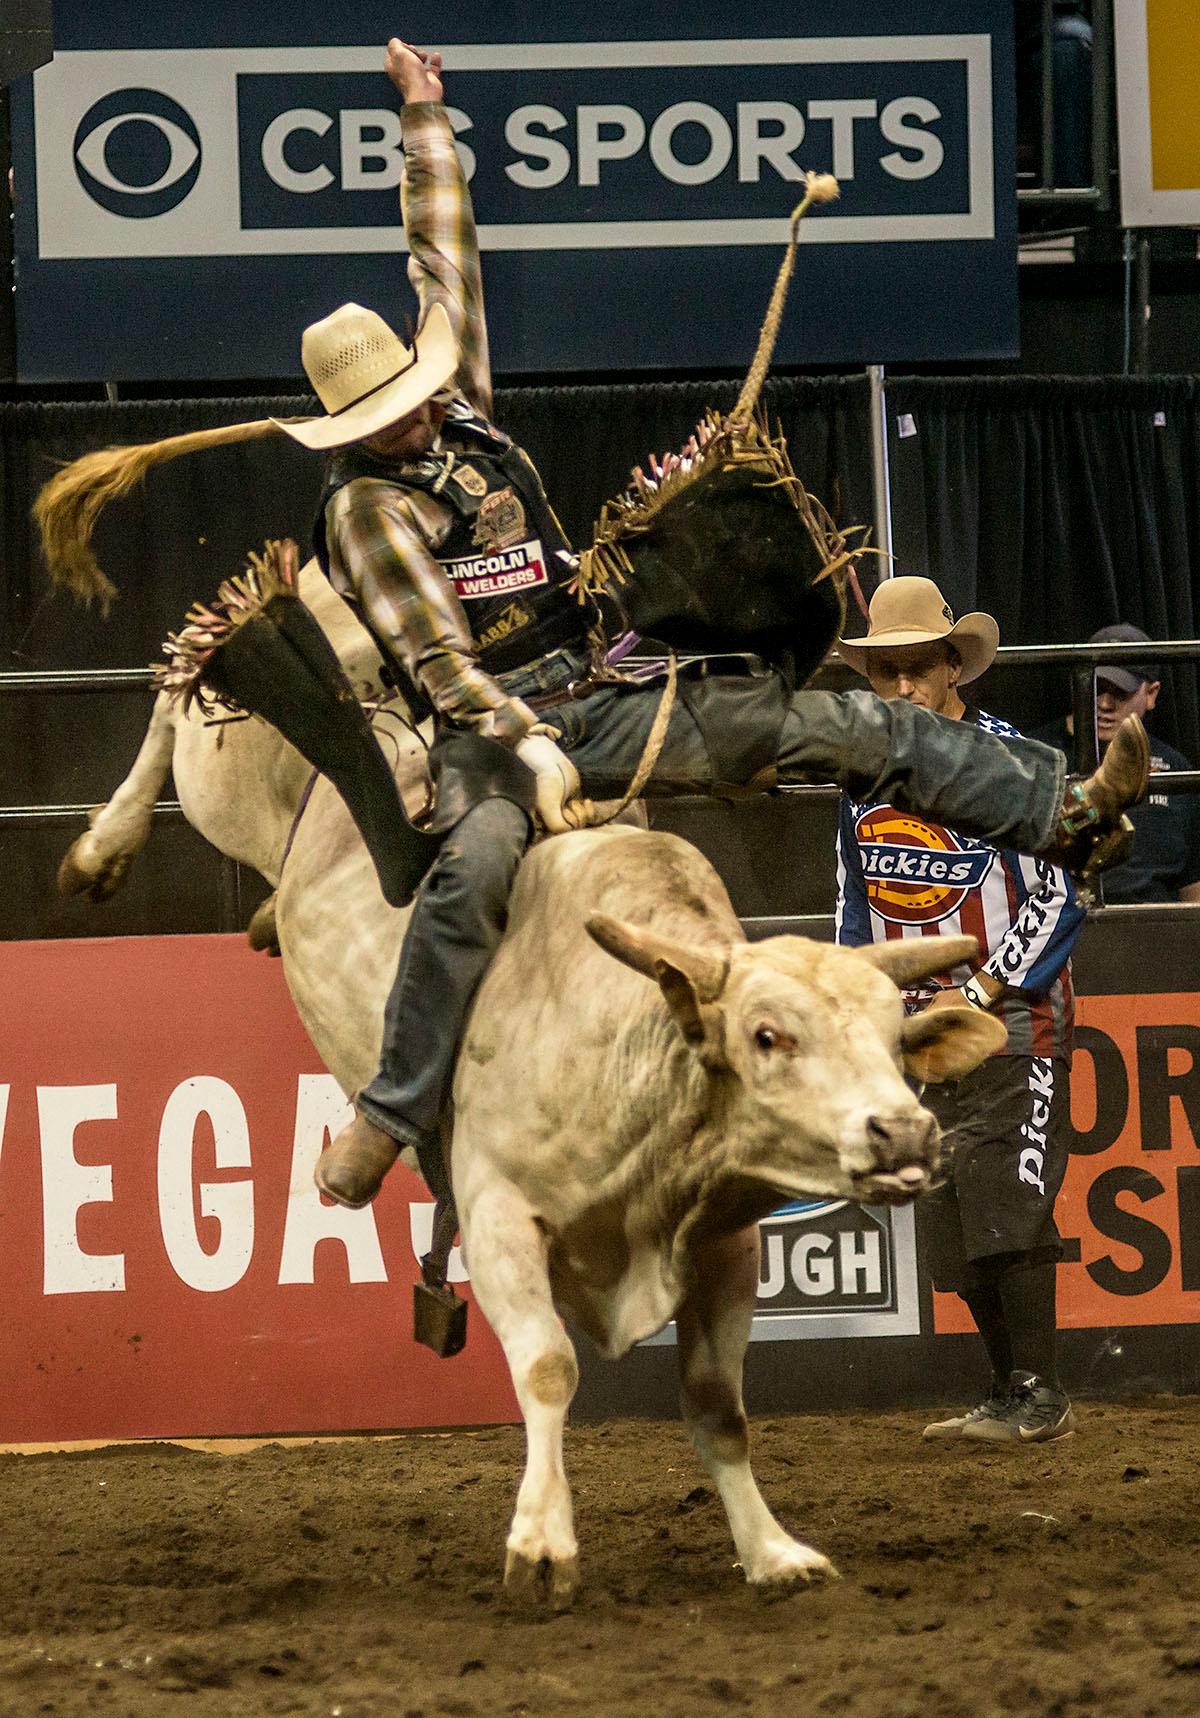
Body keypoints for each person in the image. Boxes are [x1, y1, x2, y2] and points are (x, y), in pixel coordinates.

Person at [281, 39, 1148, 1212]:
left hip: (600, 689)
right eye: (399, 405)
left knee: (840, 723)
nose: (422, 405)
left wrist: (424, 116)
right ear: (358, 427)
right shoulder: (369, 511)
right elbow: (439, 665)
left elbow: (448, 269)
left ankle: (1065, 811)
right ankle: (392, 1109)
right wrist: (524, 744)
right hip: (491, 731)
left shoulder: (460, 419)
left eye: (421, 386)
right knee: (475, 864)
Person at [836, 577, 1085, 1444]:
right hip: (915, 1031)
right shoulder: (862, 781)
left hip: (1013, 1019)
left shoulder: (1012, 762)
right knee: (945, 1217)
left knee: (1003, 1197)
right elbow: (855, 907)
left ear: (953, 666)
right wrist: (860, 1003)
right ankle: (1008, 1389)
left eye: (917, 670)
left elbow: (1063, 891)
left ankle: (1039, 1392)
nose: (902, 688)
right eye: (886, 674)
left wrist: (984, 989)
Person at [1035, 624, 1200, 904]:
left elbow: (1192, 883)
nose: (1105, 704)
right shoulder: (1037, 755)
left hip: (1154, 929)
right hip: (1059, 921)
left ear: (1151, 694)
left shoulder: (1176, 769)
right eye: (1096, 688)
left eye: (1120, 692)